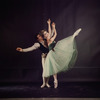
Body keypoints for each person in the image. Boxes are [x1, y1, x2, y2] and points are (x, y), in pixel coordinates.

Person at [40, 22, 82, 88]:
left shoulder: (49, 37)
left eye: (47, 33)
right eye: (45, 34)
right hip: (51, 55)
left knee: (55, 68)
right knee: (54, 68)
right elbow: (51, 33)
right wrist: (50, 25)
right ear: (45, 36)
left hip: (55, 52)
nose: (47, 33)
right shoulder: (48, 39)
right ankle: (55, 80)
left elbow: (55, 34)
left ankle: (55, 80)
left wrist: (53, 27)